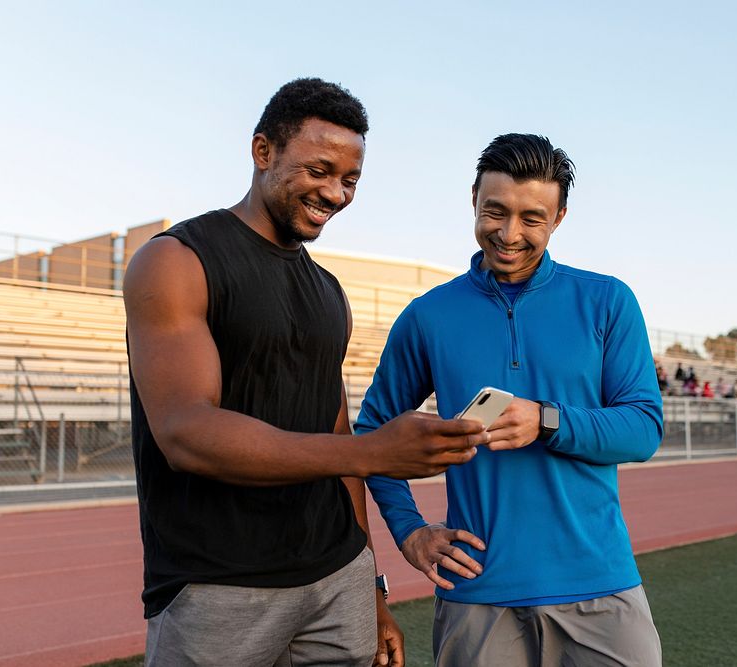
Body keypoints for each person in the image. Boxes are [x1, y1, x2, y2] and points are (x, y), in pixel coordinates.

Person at [123, 78, 488, 667]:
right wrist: (374, 454)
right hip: (220, 582)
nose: (336, 193)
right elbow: (186, 433)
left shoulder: (328, 290)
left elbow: (338, 434)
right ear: (262, 151)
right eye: (319, 171)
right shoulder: (176, 259)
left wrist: (370, 585)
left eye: (350, 180)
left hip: (336, 576)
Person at [356, 134, 664, 665]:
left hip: (600, 585)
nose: (509, 233)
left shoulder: (607, 300)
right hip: (478, 594)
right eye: (494, 211)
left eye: (531, 218)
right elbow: (370, 436)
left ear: (560, 217)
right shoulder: (429, 315)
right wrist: (409, 532)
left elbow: (642, 428)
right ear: (473, 197)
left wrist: (547, 420)